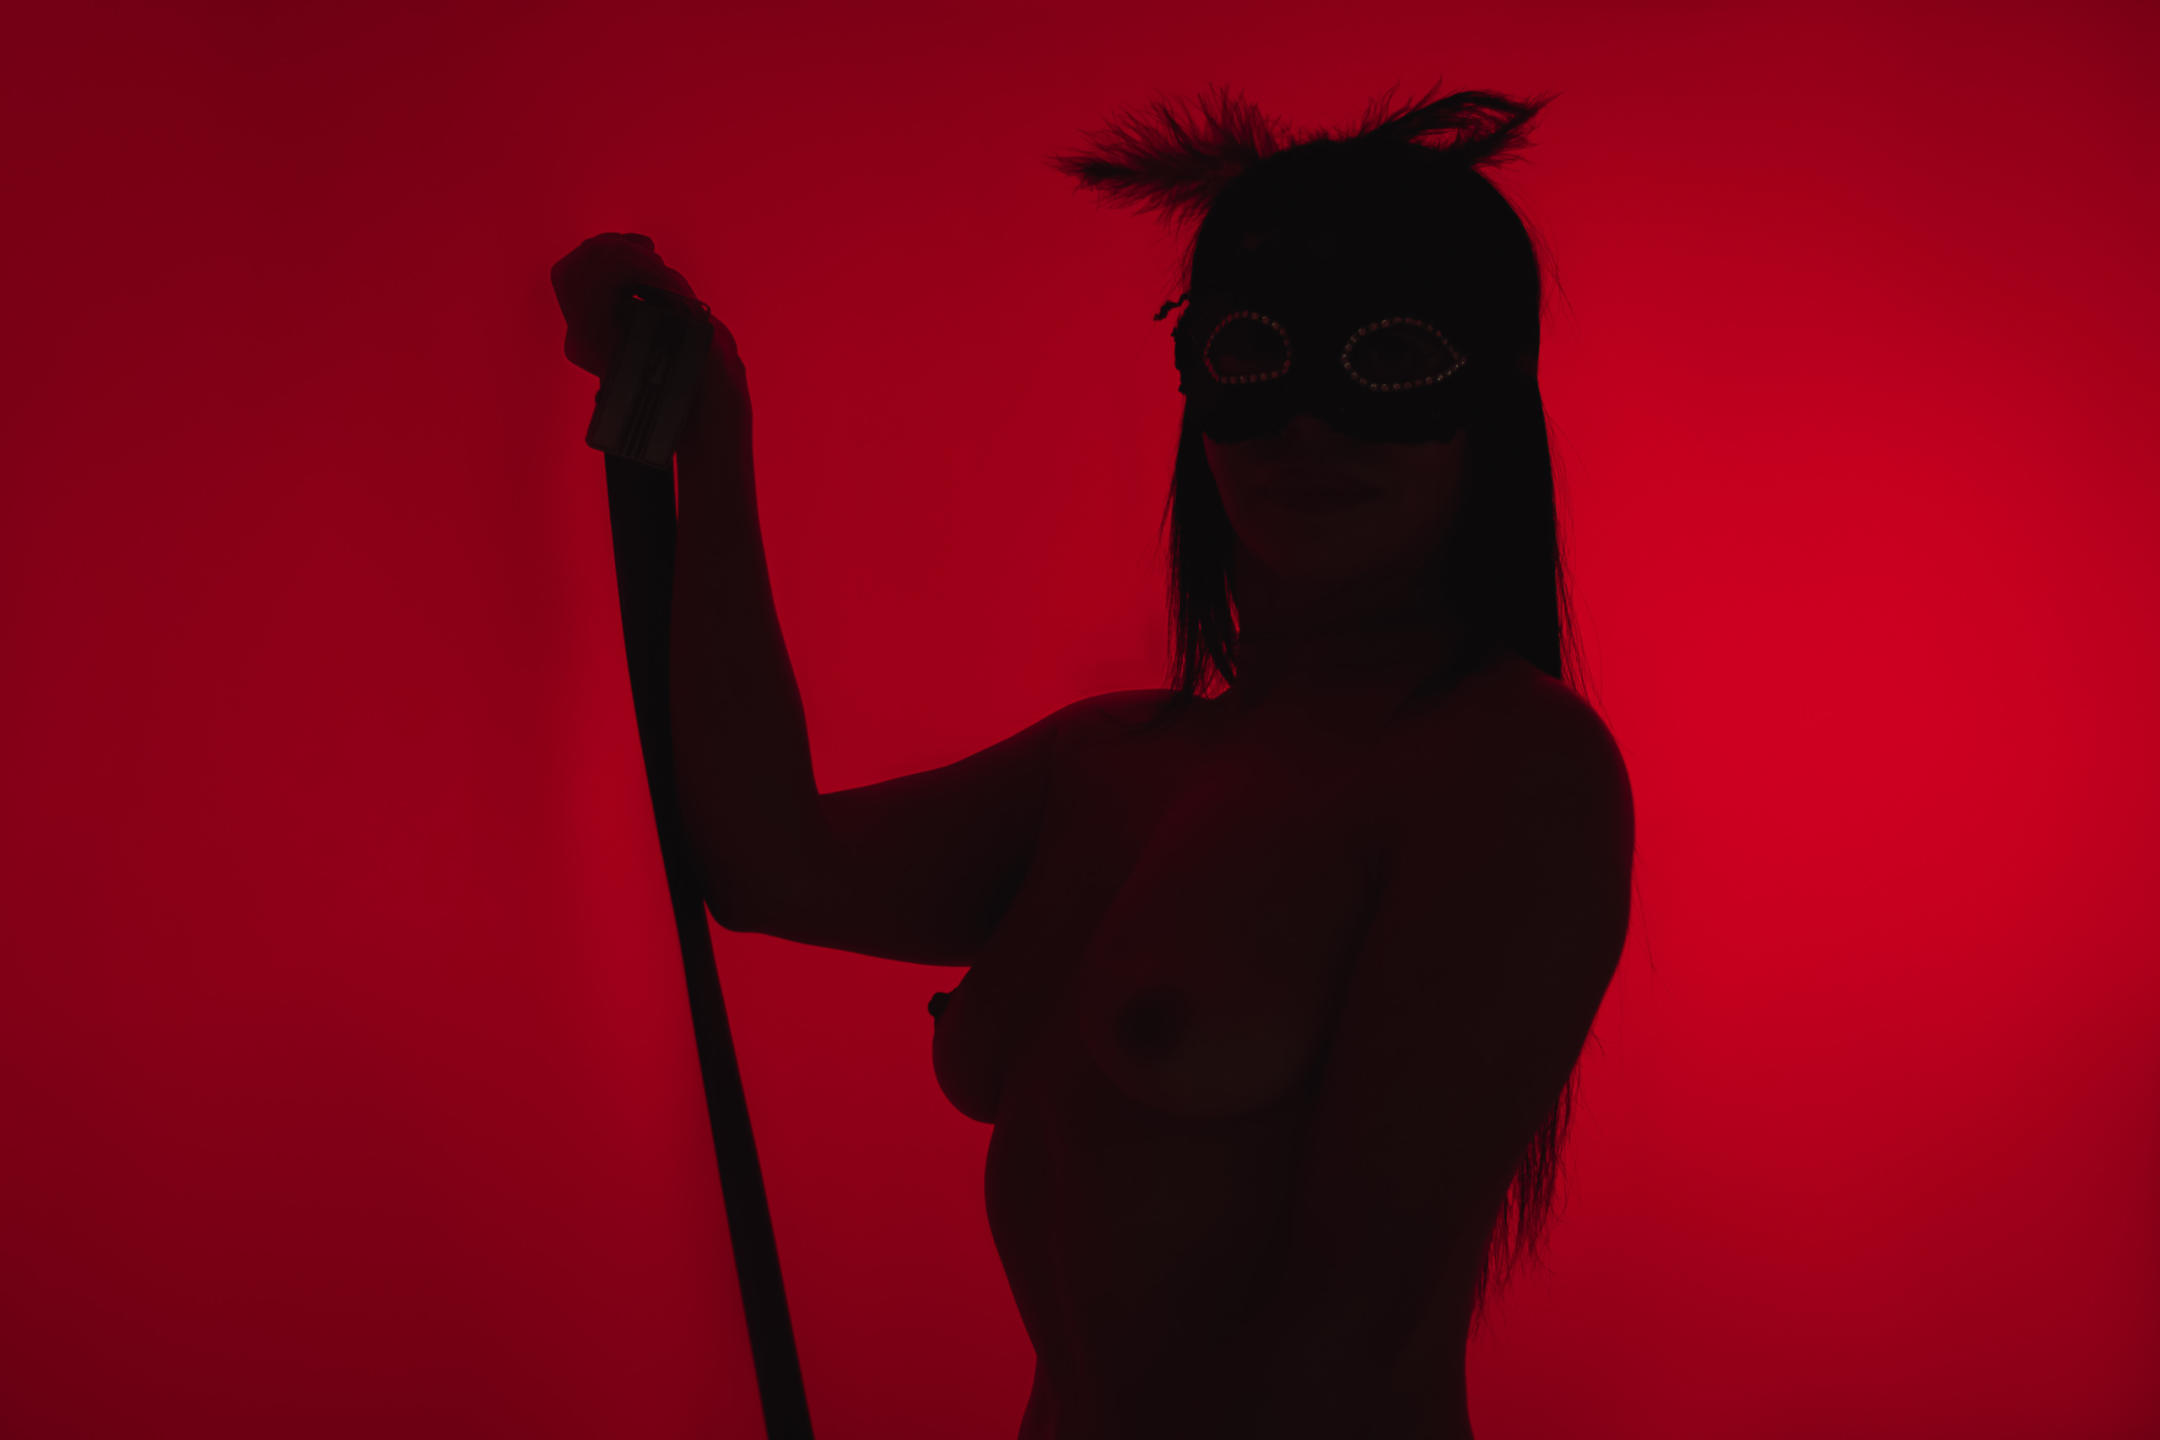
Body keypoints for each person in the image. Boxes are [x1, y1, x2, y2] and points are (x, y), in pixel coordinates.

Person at [551, 79, 1635, 1440]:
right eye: (1255, 354)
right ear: (1196, 382)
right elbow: (769, 862)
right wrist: (711, 425)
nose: (1310, 424)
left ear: (1490, 405)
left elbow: (1358, 1329)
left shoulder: (1506, 774)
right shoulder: (1111, 767)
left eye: (1394, 359)